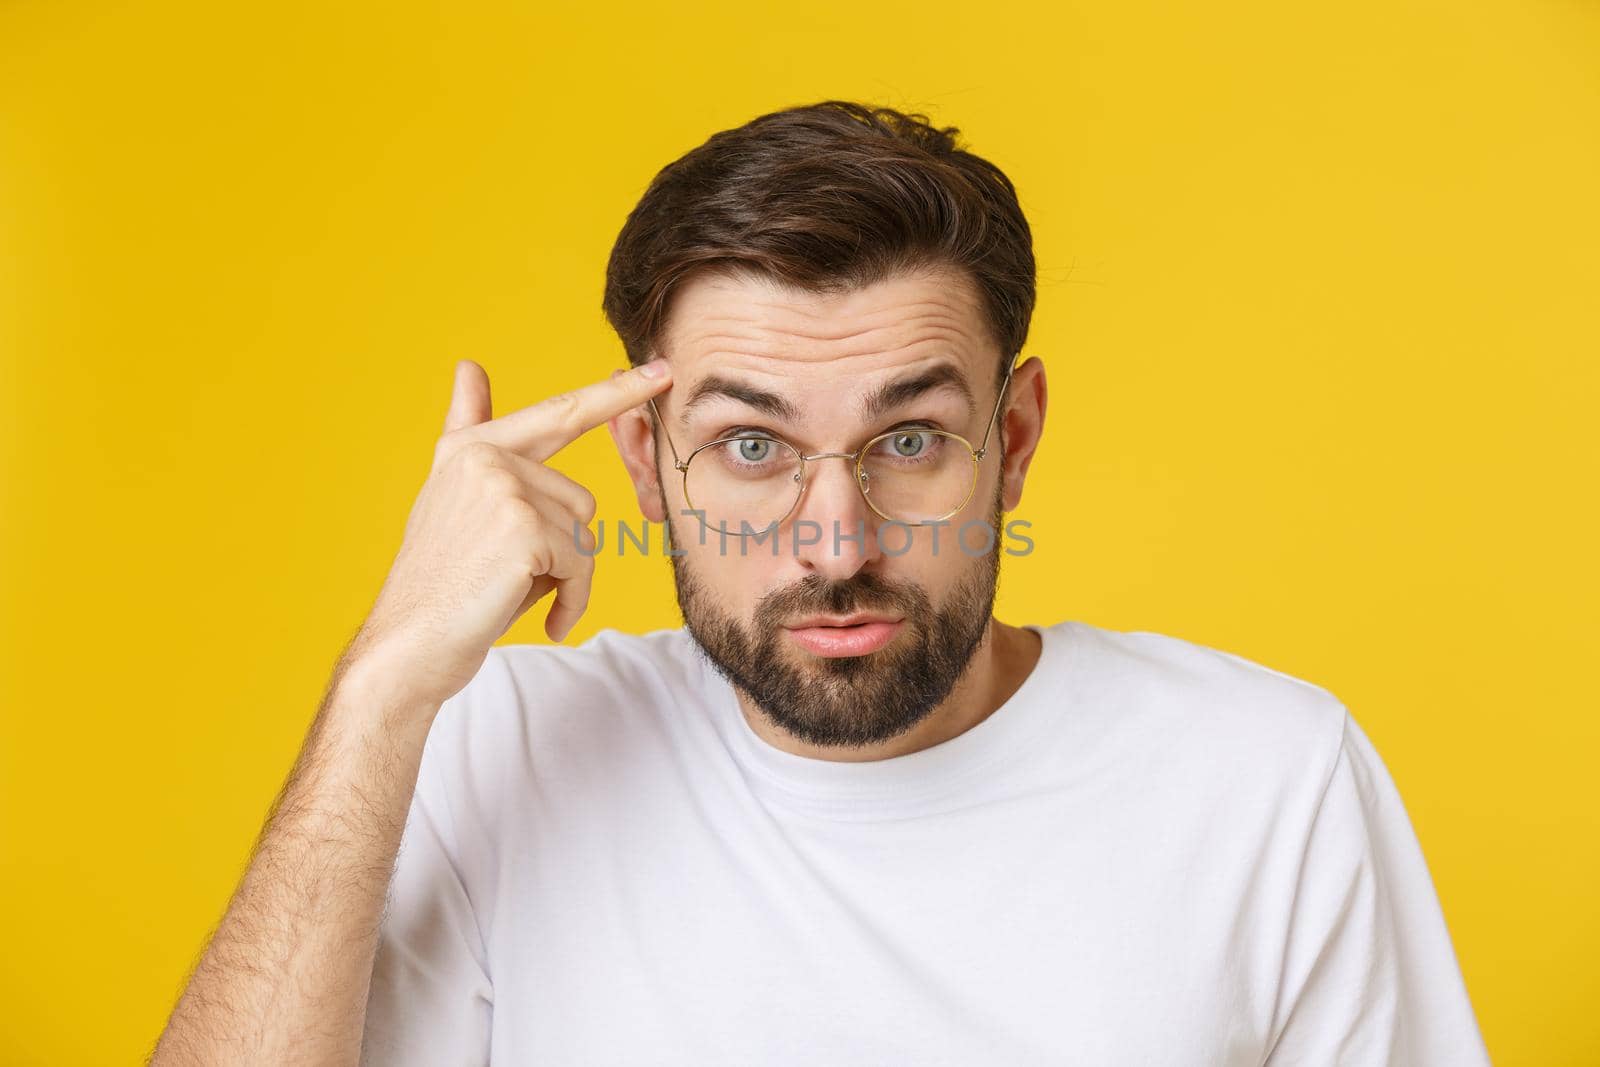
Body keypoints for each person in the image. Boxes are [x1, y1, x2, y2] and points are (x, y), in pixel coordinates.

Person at [151, 101, 1490, 1066]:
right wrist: (384, 686)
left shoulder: (1267, 777)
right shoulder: (503, 749)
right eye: (752, 446)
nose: (834, 542)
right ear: (646, 462)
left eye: (907, 440)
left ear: (1010, 442)